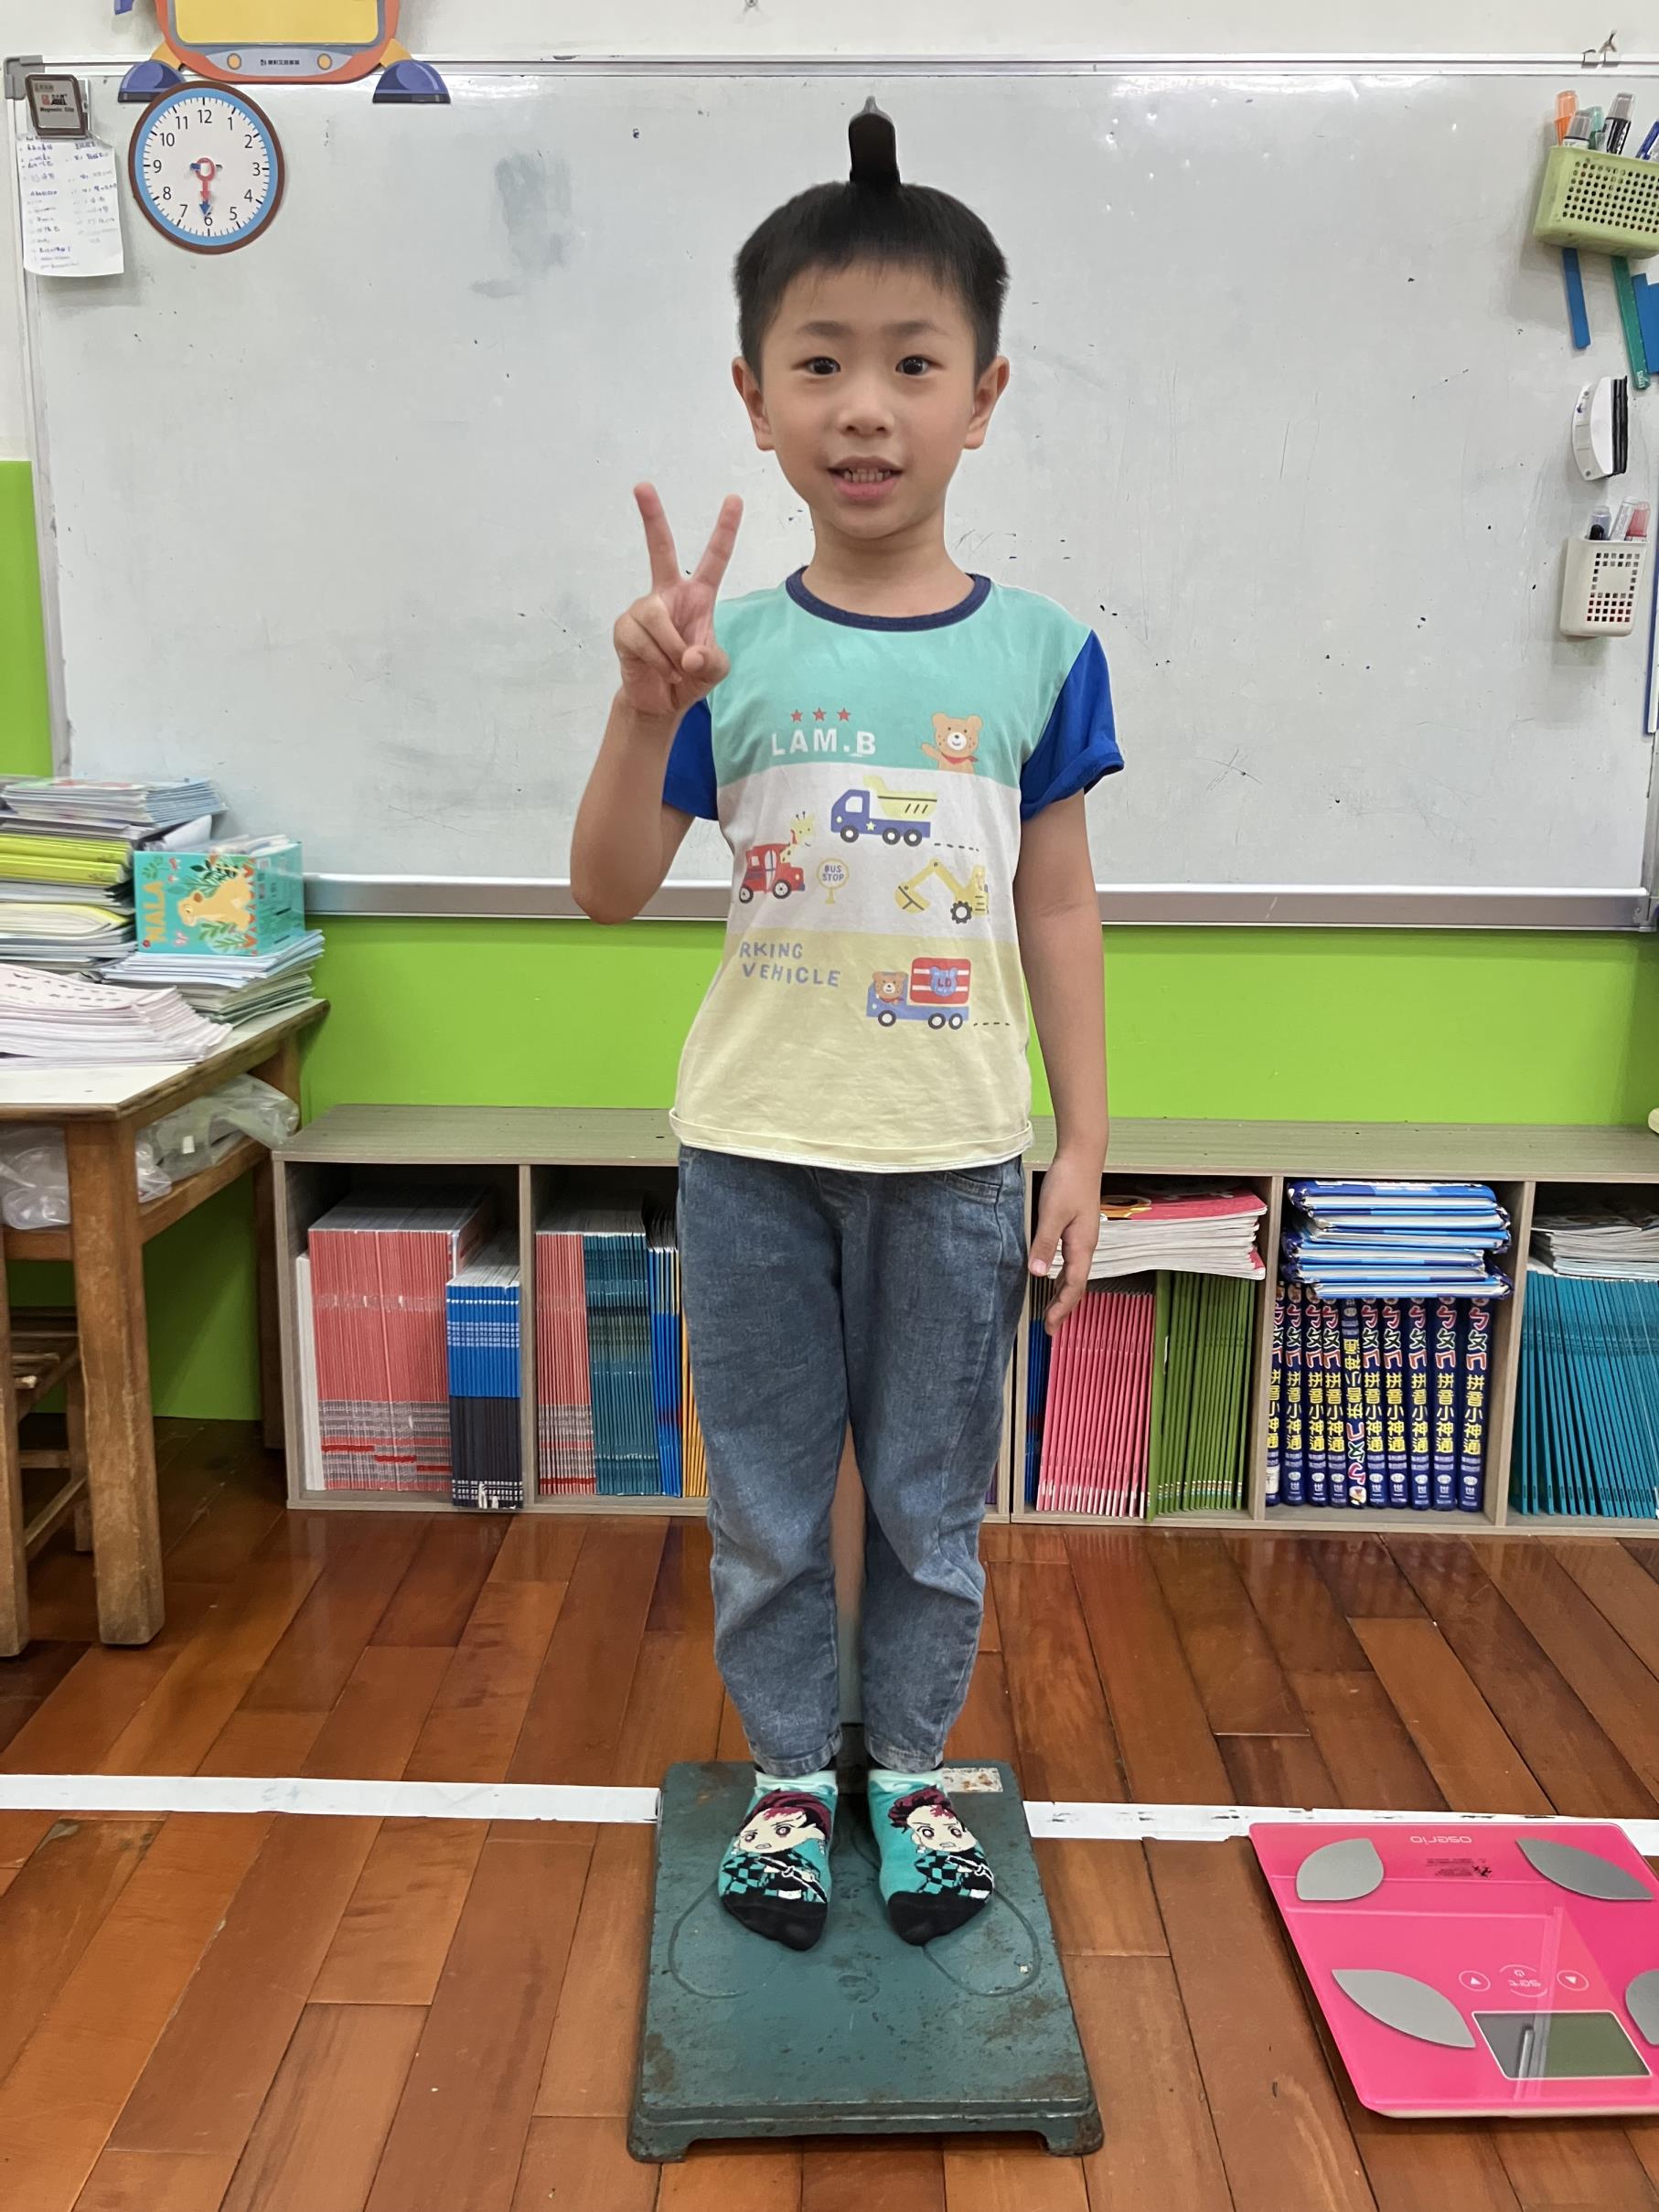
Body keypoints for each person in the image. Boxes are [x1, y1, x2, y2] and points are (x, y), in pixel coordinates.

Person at [572, 105, 1120, 1954]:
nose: (864, 408)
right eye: (818, 364)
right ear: (753, 398)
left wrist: (1082, 1141)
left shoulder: (1040, 652)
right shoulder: (714, 650)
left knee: (928, 1503)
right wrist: (639, 707)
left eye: (911, 364)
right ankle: (796, 1778)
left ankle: (914, 1778)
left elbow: (1056, 902)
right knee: (768, 1507)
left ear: (984, 396)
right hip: (751, 1156)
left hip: (953, 1159)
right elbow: (605, 888)